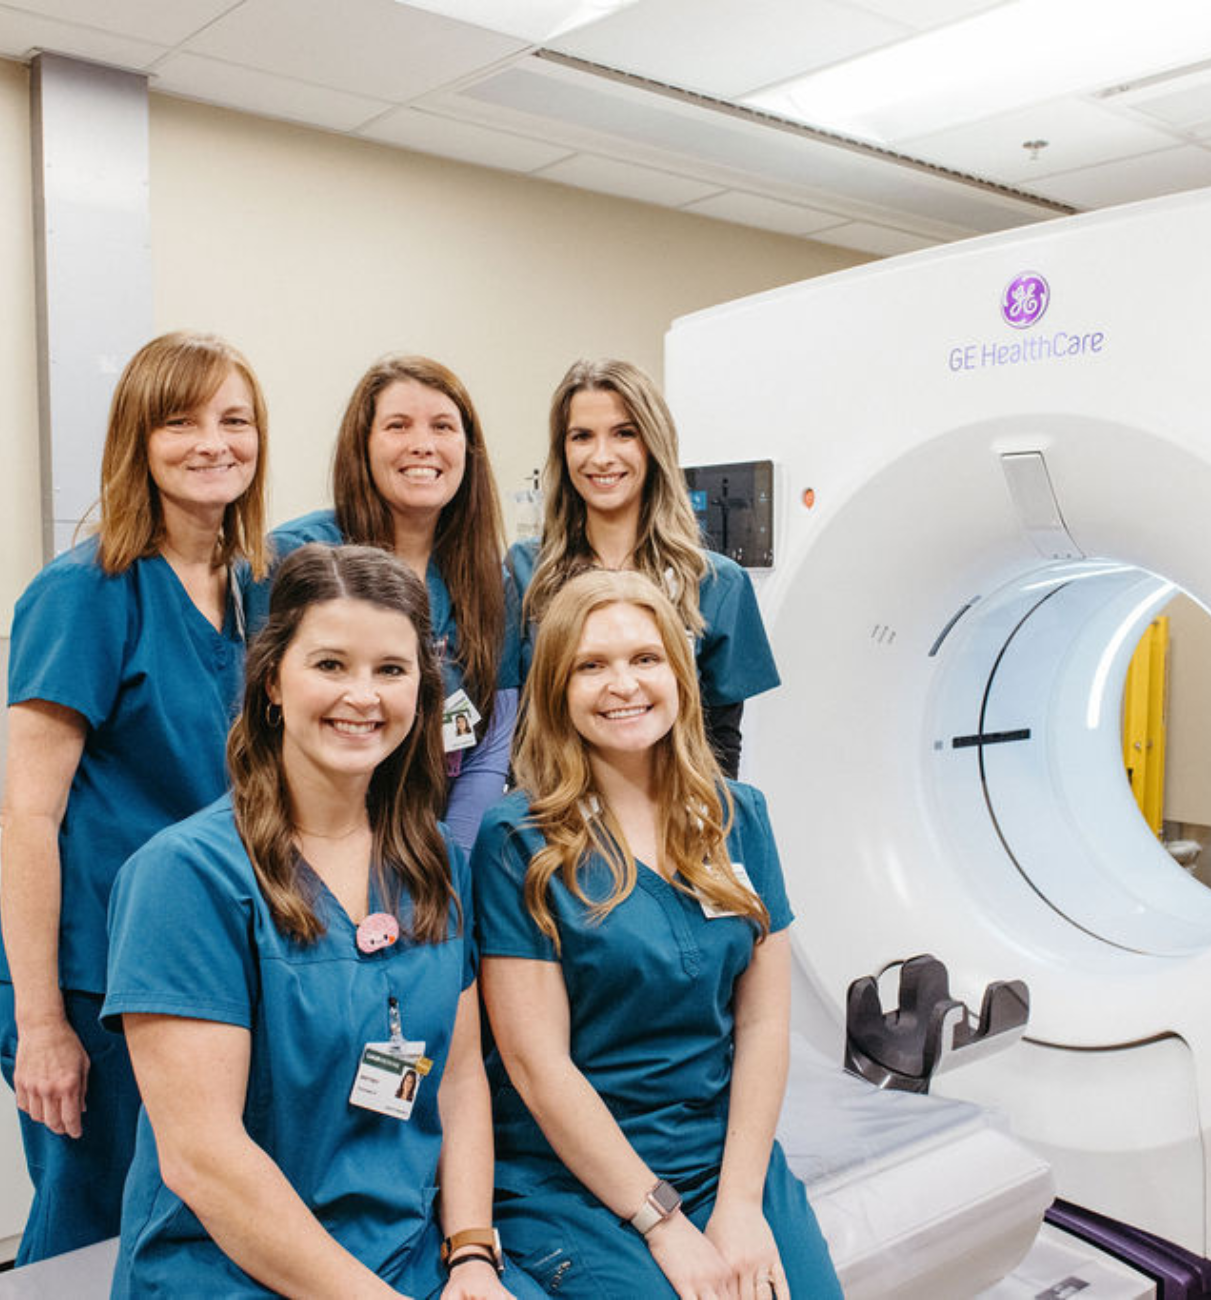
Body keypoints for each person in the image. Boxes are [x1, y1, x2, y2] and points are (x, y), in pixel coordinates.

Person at [104, 544, 544, 1298]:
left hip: (409, 1254)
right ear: (272, 680)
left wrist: (471, 1253)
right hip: (231, 1267)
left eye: (391, 670)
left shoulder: (434, 859)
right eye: (331, 665)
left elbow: (461, 1077)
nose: (363, 696)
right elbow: (204, 1158)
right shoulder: (187, 877)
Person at [0, 330, 269, 1262]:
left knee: (192, 1221)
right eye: (181, 422)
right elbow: (29, 815)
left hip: (208, 962)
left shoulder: (258, 587)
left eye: (235, 419)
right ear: (136, 440)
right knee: (91, 1233)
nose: (213, 442)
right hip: (92, 978)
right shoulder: (86, 592)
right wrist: (41, 1024)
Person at [473, 570, 840, 1299]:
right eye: (591, 665)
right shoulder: (518, 840)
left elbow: (764, 1024)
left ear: (679, 673)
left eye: (645, 659)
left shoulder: (739, 816)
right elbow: (537, 1065)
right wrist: (662, 1222)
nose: (623, 685)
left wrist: (739, 1204)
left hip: (724, 1154)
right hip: (577, 1176)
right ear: (556, 689)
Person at [254, 355, 516, 850]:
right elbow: (257, 727)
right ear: (363, 445)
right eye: (398, 426)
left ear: (468, 448)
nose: (423, 445)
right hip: (306, 842)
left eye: (443, 426)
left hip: (432, 849)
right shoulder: (297, 557)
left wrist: (450, 865)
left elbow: (490, 749)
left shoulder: (489, 578)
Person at [508, 359, 778, 778]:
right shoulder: (527, 571)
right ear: (563, 450)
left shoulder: (717, 582)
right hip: (554, 811)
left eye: (624, 433)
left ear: (654, 445)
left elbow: (721, 742)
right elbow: (511, 723)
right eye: (582, 436)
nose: (601, 456)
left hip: (672, 816)